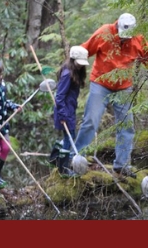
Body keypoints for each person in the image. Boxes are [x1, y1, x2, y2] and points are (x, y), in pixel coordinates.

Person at [73, 12, 148, 178]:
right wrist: (71, 68)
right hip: (100, 83)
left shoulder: (138, 38)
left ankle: (122, 166)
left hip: (124, 87)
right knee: (90, 120)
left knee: (126, 126)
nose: (125, 39)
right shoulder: (104, 33)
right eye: (122, 36)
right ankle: (79, 159)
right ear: (117, 27)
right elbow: (85, 50)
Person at [52, 46, 90, 178]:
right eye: (79, 63)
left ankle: (55, 159)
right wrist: (63, 115)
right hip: (64, 111)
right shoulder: (67, 74)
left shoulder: (75, 72)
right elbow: (59, 96)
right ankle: (63, 169)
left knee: (69, 136)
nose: (80, 66)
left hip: (70, 109)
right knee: (69, 136)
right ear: (73, 60)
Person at [0, 64, 22, 189]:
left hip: (3, 123)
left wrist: (14, 106)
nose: (0, 77)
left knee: (6, 148)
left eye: (1, 74)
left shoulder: (3, 86)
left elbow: (5, 102)